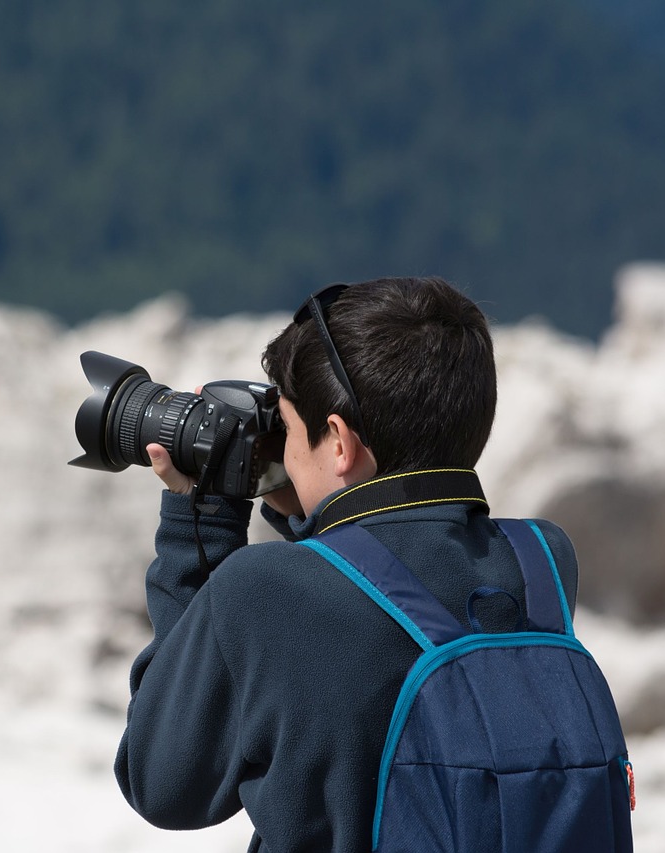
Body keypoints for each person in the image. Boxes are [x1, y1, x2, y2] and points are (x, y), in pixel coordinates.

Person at [113, 277, 587, 852]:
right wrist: (312, 505)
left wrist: (200, 523)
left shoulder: (262, 592)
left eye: (285, 429)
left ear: (338, 441)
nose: (281, 449)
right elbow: (386, 577)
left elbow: (162, 783)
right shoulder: (541, 562)